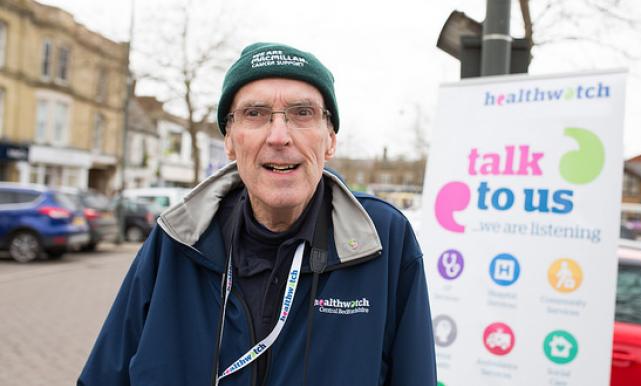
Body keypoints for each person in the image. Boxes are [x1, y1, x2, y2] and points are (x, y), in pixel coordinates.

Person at [79, 42, 437, 386]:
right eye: (255, 113)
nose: (279, 136)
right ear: (230, 140)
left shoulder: (384, 239)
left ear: (330, 139)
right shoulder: (176, 239)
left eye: (302, 113)